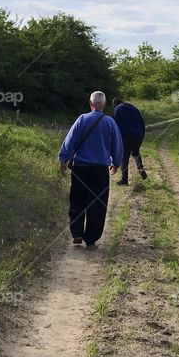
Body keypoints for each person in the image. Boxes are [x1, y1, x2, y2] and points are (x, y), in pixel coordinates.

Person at [58, 91, 124, 250]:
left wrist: (63, 159)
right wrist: (116, 162)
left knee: (77, 200)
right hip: (100, 170)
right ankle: (91, 239)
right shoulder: (110, 122)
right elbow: (117, 145)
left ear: (90, 103)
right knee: (97, 204)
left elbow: (70, 140)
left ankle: (77, 233)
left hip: (80, 168)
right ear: (104, 104)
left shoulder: (82, 119)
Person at [111, 96, 148, 185]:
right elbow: (142, 123)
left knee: (124, 157)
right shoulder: (134, 108)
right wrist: (141, 136)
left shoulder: (117, 109)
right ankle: (140, 168)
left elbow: (113, 125)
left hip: (125, 136)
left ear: (115, 104)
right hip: (138, 135)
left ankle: (124, 179)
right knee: (135, 153)